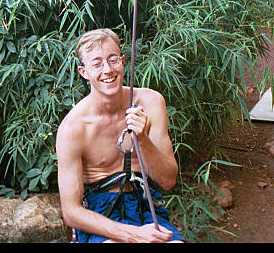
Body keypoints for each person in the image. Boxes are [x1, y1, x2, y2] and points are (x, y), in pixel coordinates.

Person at [56, 29, 184, 243]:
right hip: (101, 214)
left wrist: (142, 139)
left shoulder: (151, 103)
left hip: (144, 205)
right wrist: (134, 235)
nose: (107, 70)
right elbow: (71, 212)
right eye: (97, 64)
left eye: (113, 59)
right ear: (84, 71)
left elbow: (168, 180)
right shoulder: (73, 128)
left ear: (123, 61)